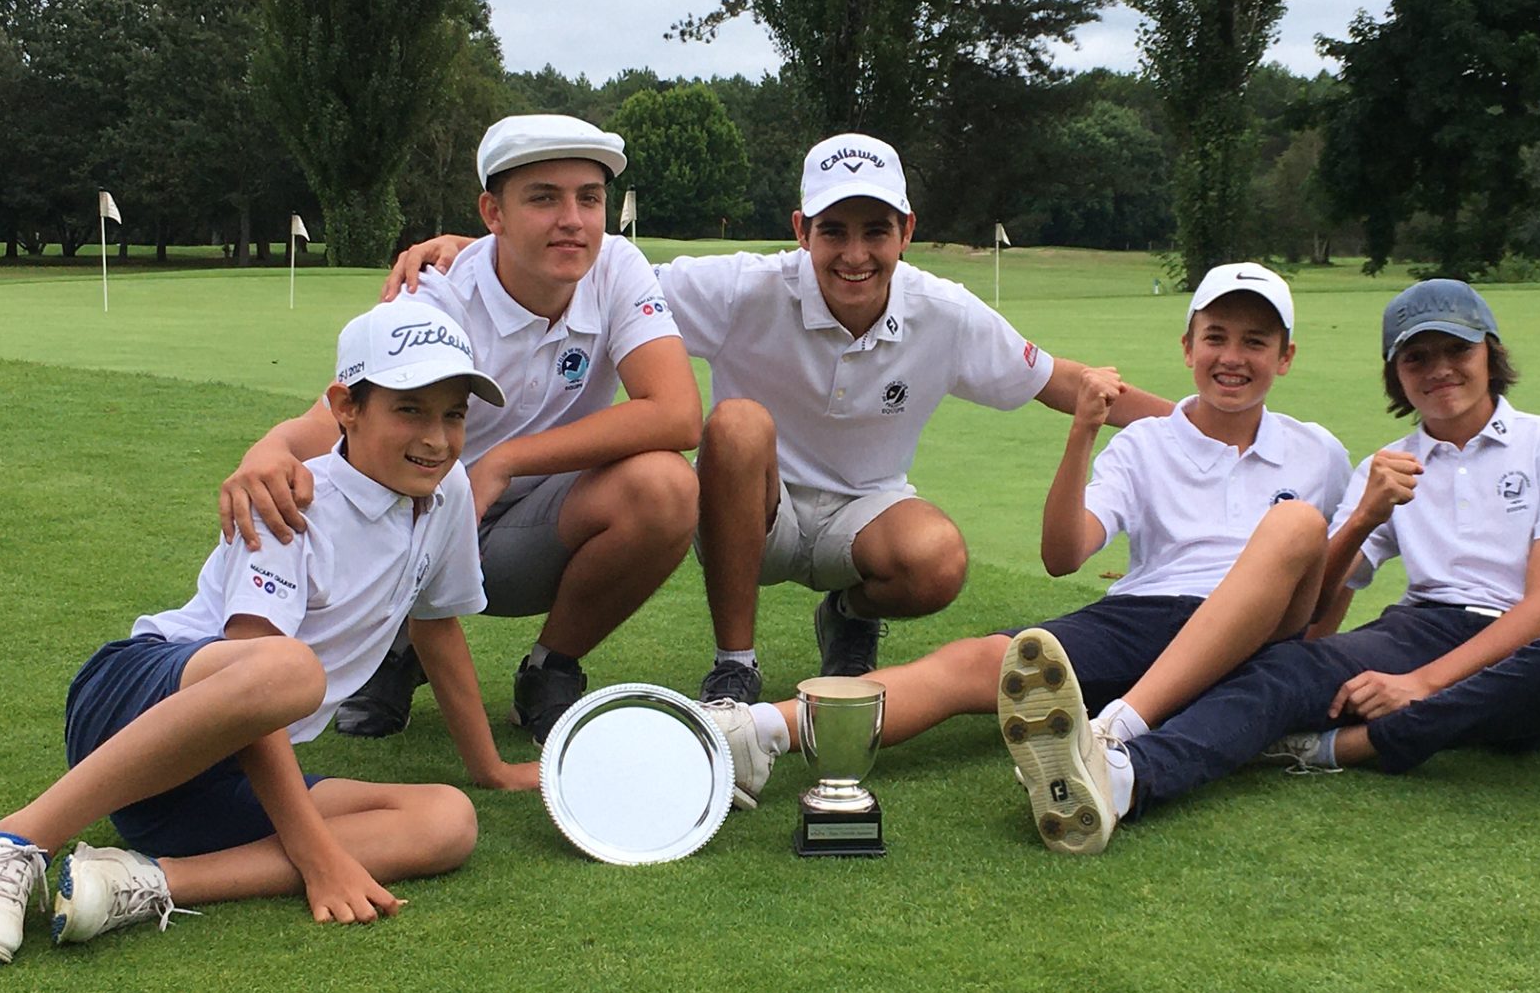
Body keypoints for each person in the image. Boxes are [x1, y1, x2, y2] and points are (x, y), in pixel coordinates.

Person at [382, 132, 1173, 761]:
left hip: (866, 509)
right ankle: (737, 664)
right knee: (735, 422)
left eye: (876, 230)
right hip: (753, 515)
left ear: (908, 232)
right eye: (833, 230)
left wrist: (1200, 420)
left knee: (939, 559)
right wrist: (481, 246)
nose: (854, 253)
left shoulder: (948, 310)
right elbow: (591, 268)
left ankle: (850, 615)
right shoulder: (740, 287)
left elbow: (1065, 383)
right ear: (801, 230)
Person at [0, 302, 540, 964]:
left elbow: (437, 626)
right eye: (410, 409)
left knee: (446, 823)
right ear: (345, 408)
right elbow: (253, 673)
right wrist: (316, 853)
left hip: (209, 781)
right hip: (134, 702)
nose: (437, 438)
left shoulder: (448, 493)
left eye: (454, 414)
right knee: (287, 669)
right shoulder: (288, 495)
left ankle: (135, 882)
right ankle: (9, 844)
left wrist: (488, 770)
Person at [689, 264, 1351, 822]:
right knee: (980, 661)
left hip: (1261, 626)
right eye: (1217, 337)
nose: (1233, 357)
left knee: (1293, 535)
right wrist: (1083, 432)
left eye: (1256, 342)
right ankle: (760, 732)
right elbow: (1064, 557)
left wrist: (1355, 551)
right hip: (1146, 613)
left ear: (1285, 357)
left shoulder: (1317, 452)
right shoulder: (1149, 440)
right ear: (1187, 346)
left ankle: (1111, 737)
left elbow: (1326, 588)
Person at [1004, 278, 1540, 853]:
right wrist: (1363, 517)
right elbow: (1320, 600)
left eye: (1456, 352)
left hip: (1531, 645)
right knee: (1284, 666)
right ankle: (1124, 777)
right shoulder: (1384, 466)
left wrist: (1421, 685)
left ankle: (1342, 748)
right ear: (1396, 375)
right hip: (1418, 627)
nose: (1439, 371)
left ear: (1489, 353)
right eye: (1416, 358)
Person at [222, 115, 702, 744]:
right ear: (491, 212)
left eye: (589, 198)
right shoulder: (436, 294)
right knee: (385, 496)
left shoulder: (617, 265)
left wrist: (503, 462)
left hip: (532, 522)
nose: (573, 219)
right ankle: (393, 650)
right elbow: (336, 421)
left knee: (667, 485)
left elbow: (677, 413)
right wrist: (269, 448)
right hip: (430, 528)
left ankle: (550, 668)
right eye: (543, 198)